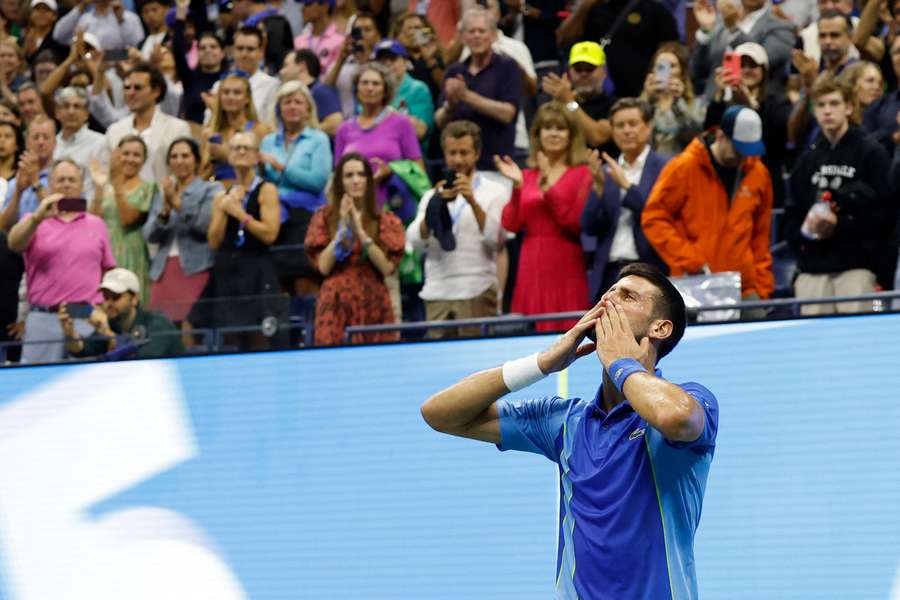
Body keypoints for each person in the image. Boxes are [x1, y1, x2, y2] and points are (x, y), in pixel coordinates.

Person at [420, 261, 717, 600]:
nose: (608, 301)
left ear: (661, 328)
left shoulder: (693, 399)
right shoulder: (564, 419)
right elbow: (439, 413)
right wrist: (541, 364)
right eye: (608, 293)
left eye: (628, 297)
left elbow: (675, 417)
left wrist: (620, 363)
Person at [642, 105, 775, 306]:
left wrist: (762, 288)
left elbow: (761, 235)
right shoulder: (684, 167)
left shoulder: (759, 173)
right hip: (695, 285)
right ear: (721, 136)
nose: (744, 156)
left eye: (749, 150)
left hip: (746, 289)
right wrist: (690, 260)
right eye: (739, 149)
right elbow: (654, 218)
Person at [785, 77, 892, 315]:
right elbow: (791, 217)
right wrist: (808, 230)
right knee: (812, 344)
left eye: (834, 103)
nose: (828, 111)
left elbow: (885, 214)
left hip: (856, 267)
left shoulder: (871, 152)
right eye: (821, 105)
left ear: (849, 107)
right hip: (813, 270)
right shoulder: (806, 161)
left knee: (856, 342)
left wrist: (840, 224)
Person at [406, 120, 511, 338]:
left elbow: (497, 240)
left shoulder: (495, 191)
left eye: (464, 152)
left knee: (479, 366)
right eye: (452, 153)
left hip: (477, 290)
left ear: (477, 153)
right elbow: (414, 243)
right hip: (436, 293)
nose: (458, 160)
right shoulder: (431, 195)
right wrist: (433, 208)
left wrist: (472, 201)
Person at [494, 101, 592, 332]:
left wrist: (548, 187)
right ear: (537, 135)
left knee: (568, 333)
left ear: (571, 135)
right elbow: (511, 223)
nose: (554, 134)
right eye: (547, 128)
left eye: (560, 128)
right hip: (530, 262)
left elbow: (575, 222)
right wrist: (517, 187)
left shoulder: (582, 173)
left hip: (565, 259)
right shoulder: (526, 174)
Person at [7, 158, 115, 363]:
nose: (66, 184)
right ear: (51, 185)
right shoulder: (34, 219)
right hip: (43, 317)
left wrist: (102, 310)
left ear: (81, 186)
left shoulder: (96, 223)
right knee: (36, 386)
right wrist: (38, 217)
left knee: (88, 385)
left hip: (85, 315)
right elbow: (13, 243)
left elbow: (107, 271)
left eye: (72, 180)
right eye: (61, 180)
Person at [304, 152, 405, 346]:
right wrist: (342, 229)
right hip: (335, 301)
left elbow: (387, 268)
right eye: (349, 176)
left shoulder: (383, 218)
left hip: (373, 299)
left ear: (369, 179)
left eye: (361, 174)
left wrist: (360, 231)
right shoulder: (323, 217)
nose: (356, 180)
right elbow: (323, 267)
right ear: (340, 181)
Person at [581, 98, 669, 303]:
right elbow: (589, 227)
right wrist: (598, 189)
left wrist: (627, 188)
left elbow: (659, 214)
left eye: (633, 123)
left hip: (650, 268)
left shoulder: (666, 167)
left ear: (648, 127)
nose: (626, 130)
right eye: (620, 125)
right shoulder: (605, 171)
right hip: (610, 273)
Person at [204, 131, 282, 348]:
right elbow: (214, 241)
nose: (240, 152)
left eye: (246, 148)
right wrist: (223, 209)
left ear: (257, 156)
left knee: (258, 337)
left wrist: (240, 214)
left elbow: (270, 234)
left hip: (257, 268)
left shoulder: (266, 190)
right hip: (228, 271)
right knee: (228, 337)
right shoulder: (222, 194)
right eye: (236, 148)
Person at [259, 80, 332, 295]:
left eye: (298, 102)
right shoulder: (267, 142)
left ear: (308, 108)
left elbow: (317, 181)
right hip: (273, 218)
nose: (292, 107)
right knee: (277, 286)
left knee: (304, 282)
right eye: (287, 102)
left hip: (306, 219)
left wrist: (280, 168)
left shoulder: (319, 139)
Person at [704, 42, 792, 208]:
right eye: (741, 65)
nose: (746, 70)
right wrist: (719, 96)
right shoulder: (724, 101)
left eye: (753, 65)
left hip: (765, 180)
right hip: (728, 182)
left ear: (764, 70)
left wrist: (751, 107)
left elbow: (775, 143)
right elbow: (709, 136)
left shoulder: (777, 101)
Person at [144, 137, 221, 324]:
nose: (179, 161)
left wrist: (178, 205)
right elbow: (149, 235)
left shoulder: (210, 189)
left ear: (196, 160)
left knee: (190, 327)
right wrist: (164, 212)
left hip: (196, 266)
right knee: (159, 326)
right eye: (174, 156)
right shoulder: (163, 192)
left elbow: (205, 225)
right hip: (163, 268)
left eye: (185, 156)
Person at [435, 7, 521, 171]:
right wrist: (450, 105)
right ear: (463, 37)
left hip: (497, 164)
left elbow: (507, 113)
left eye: (481, 31)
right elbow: (439, 120)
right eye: (471, 31)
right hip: (459, 165)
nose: (476, 36)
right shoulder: (455, 71)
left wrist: (466, 96)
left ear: (493, 36)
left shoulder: (507, 67)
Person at [333, 62, 424, 208]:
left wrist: (391, 170)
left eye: (376, 84)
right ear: (357, 89)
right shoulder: (344, 129)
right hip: (355, 206)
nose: (369, 88)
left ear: (385, 90)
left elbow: (418, 170)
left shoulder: (401, 122)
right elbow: (338, 174)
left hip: (393, 203)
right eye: (364, 83)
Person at [556, 0, 679, 97]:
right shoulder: (593, 9)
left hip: (643, 91)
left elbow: (671, 50)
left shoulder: (654, 8)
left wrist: (659, 81)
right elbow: (563, 40)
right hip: (600, 94)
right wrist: (584, 6)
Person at [89, 134, 157, 306]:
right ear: (116, 156)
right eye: (125, 153)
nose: (130, 159)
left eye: (136, 155)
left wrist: (117, 183)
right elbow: (92, 222)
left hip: (131, 253)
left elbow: (128, 220)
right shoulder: (105, 185)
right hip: (103, 252)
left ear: (144, 160)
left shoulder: (148, 188)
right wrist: (99, 187)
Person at [60, 267, 184, 359]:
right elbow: (81, 350)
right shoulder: (111, 323)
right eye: (106, 297)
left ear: (134, 299)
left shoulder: (158, 324)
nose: (108, 303)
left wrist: (109, 336)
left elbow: (140, 364)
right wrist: (70, 333)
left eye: (115, 297)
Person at [105, 63, 192, 182]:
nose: (131, 93)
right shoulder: (114, 131)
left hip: (164, 197)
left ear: (156, 91)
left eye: (138, 88)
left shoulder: (178, 128)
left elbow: (184, 172)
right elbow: (108, 172)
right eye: (127, 88)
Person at [691, 0, 795, 98]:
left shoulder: (782, 27)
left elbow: (764, 59)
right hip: (715, 102)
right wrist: (706, 30)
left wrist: (734, 30)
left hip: (759, 106)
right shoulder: (720, 21)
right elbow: (698, 71)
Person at [541, 41, 615, 152]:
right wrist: (558, 103)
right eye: (578, 69)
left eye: (590, 69)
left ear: (603, 71)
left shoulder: (615, 105)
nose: (583, 74)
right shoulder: (560, 102)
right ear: (569, 72)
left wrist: (569, 101)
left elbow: (597, 137)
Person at [204, 74, 271, 186]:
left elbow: (266, 169)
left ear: (247, 98)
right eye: (226, 92)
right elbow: (202, 171)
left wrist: (226, 154)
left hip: (247, 190)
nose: (230, 97)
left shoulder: (260, 130)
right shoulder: (210, 132)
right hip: (215, 190)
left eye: (237, 93)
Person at [640, 42, 706, 157]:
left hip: (681, 166)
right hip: (650, 168)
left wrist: (678, 103)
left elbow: (695, 135)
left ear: (682, 72)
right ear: (653, 71)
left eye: (672, 66)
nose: (668, 71)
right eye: (661, 66)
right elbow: (635, 135)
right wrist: (647, 99)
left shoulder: (695, 104)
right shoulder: (644, 103)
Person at [172, 0, 225, 126]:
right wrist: (180, 14)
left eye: (213, 47)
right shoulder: (190, 78)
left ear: (222, 53)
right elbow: (177, 50)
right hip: (192, 134)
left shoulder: (228, 78)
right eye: (202, 48)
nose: (208, 50)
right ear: (197, 53)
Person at [0, 114, 56, 232]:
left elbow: (60, 217)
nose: (41, 142)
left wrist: (36, 183)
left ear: (55, 142)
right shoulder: (15, 182)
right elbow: (4, 227)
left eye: (46, 137)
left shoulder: (63, 177)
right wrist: (18, 192)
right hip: (18, 247)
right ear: (27, 142)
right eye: (35, 137)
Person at [374, 39, 434, 145]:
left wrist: (387, 112)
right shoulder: (370, 90)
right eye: (382, 61)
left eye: (392, 59)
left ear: (406, 62)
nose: (387, 64)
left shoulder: (417, 89)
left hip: (408, 155)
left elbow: (420, 131)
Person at [53, 86, 108, 200]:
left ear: (86, 114)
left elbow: (104, 184)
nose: (71, 112)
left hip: (89, 210)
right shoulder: (51, 145)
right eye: (66, 106)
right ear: (57, 113)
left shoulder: (100, 143)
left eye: (77, 107)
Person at [323, 9, 380, 119]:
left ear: (377, 35)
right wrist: (340, 59)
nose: (362, 34)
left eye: (367, 30)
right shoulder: (341, 63)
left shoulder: (383, 60)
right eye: (357, 31)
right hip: (346, 125)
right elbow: (326, 90)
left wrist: (365, 60)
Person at [217, 26, 279, 123]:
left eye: (250, 49)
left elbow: (271, 124)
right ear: (233, 50)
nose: (244, 54)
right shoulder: (219, 85)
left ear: (261, 52)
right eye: (240, 48)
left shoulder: (272, 85)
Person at [279, 48, 343, 137]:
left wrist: (302, 133)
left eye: (286, 65)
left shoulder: (321, 91)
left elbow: (335, 125)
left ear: (302, 67)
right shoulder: (285, 95)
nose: (281, 71)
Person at [52, 0, 144, 51]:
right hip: (85, 67)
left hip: (114, 69)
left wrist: (121, 21)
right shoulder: (83, 18)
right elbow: (58, 36)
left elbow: (136, 45)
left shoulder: (129, 17)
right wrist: (81, 6)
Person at [293, 0, 344, 75]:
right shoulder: (298, 40)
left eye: (308, 4)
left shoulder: (340, 41)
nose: (302, 9)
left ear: (324, 7)